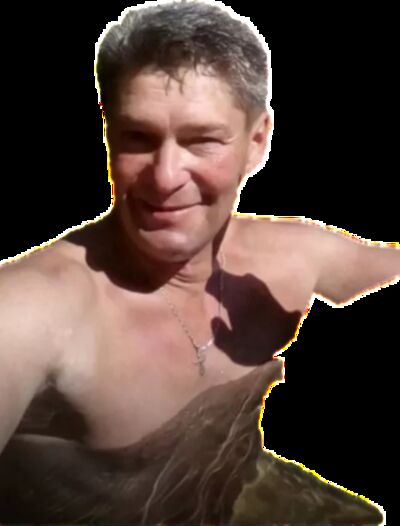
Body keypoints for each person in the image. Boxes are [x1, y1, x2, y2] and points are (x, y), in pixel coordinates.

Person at [0, 1, 397, 524]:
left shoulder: (291, 258)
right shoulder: (31, 309)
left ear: (257, 142)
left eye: (202, 140)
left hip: (235, 494)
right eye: (138, 138)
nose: (165, 177)